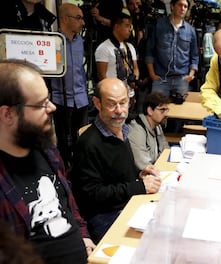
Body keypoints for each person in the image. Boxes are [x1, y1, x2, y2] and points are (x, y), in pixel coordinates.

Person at [0, 60, 95, 263]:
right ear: (8, 114)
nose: (52, 108)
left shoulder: (46, 150)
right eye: (41, 104)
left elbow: (67, 204)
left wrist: (83, 234)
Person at [71, 78, 161, 243]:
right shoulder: (89, 143)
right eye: (112, 104)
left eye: (123, 102)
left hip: (124, 203)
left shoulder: (122, 130)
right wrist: (139, 186)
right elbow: (92, 195)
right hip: (104, 214)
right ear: (97, 103)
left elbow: (116, 175)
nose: (119, 111)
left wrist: (139, 174)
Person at [50, 3, 89, 168]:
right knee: (63, 142)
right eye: (78, 18)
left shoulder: (80, 40)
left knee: (82, 139)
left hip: (81, 98)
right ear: (65, 19)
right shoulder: (53, 41)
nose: (83, 22)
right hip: (61, 98)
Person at [145, 0, 199, 98]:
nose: (182, 8)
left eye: (185, 6)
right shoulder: (159, 26)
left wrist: (191, 74)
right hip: (160, 78)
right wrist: (152, 74)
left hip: (182, 79)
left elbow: (194, 55)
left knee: (180, 111)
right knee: (157, 108)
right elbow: (149, 51)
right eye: (180, 5)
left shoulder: (190, 30)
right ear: (172, 6)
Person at [95, 12, 139, 109]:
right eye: (127, 26)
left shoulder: (130, 46)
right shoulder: (104, 48)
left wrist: (134, 80)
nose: (130, 29)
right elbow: (102, 75)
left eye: (130, 26)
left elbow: (135, 67)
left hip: (130, 95)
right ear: (117, 27)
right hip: (114, 98)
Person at [128, 92, 170, 170]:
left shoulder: (157, 125)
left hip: (157, 169)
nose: (166, 114)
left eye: (167, 110)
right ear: (150, 110)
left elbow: (166, 150)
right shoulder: (137, 130)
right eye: (162, 110)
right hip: (143, 176)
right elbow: (143, 164)